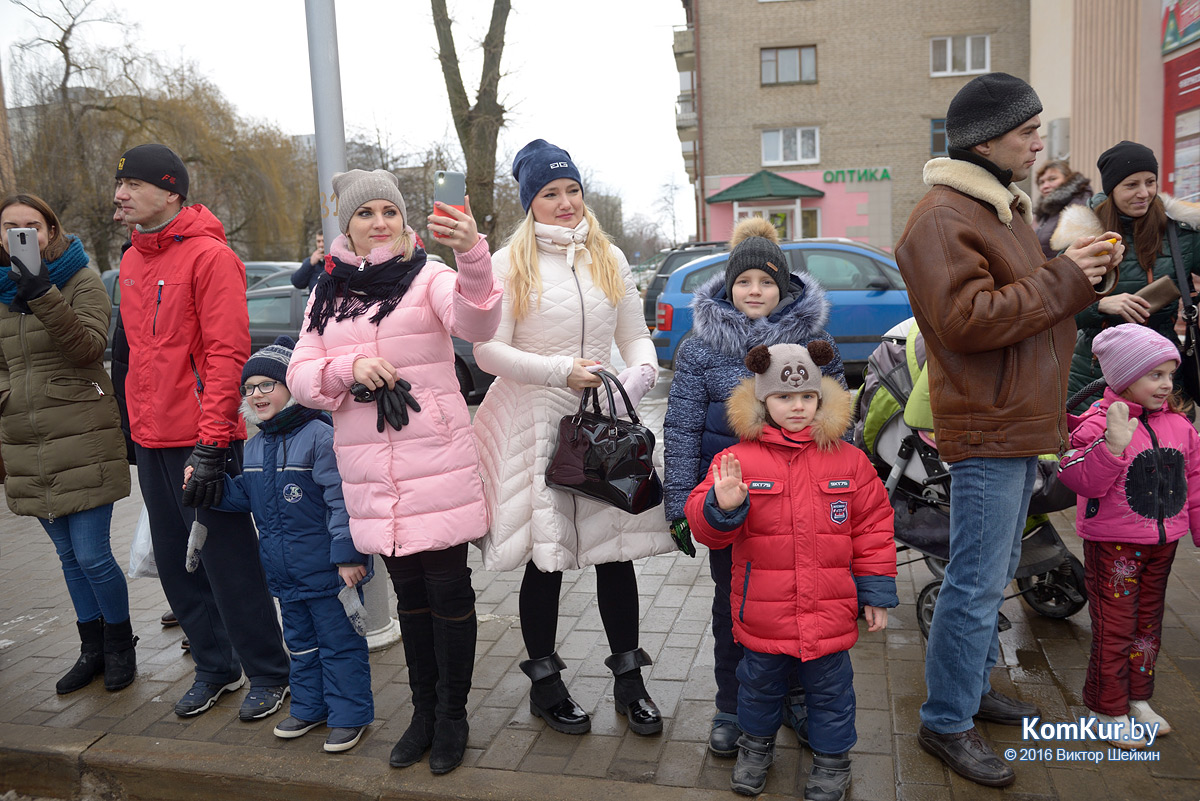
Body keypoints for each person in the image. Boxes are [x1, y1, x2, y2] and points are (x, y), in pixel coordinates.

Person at [893, 73, 1124, 787]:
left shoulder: (998, 209)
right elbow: (967, 321)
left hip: (1017, 423)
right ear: (986, 138)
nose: (1037, 140)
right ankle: (946, 722)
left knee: (988, 578)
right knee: (974, 580)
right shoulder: (941, 219)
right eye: (1027, 130)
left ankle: (964, 693)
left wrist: (1082, 278)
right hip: (991, 425)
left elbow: (1026, 306)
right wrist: (1064, 279)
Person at [287, 168, 501, 774]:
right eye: (365, 213)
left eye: (388, 211)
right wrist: (349, 367)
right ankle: (423, 714)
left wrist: (472, 254)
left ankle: (453, 716)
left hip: (434, 461)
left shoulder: (429, 276)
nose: (378, 222)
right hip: (372, 476)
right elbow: (301, 379)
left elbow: (477, 325)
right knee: (408, 598)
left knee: (449, 592)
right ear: (346, 225)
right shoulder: (326, 293)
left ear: (404, 220)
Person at [472, 139, 670, 738]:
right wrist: (561, 370)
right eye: (550, 193)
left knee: (616, 553)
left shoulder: (608, 256)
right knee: (547, 557)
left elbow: (637, 337)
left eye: (572, 190)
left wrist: (636, 376)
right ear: (530, 202)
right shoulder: (509, 263)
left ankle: (630, 681)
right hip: (537, 419)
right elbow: (487, 352)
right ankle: (545, 684)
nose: (564, 202)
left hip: (605, 421)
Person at [114, 143, 291, 719]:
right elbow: (134, 358)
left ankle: (269, 670)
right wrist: (133, 431)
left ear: (171, 192)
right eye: (120, 185)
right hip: (152, 438)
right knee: (175, 563)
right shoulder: (134, 258)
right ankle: (217, 668)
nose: (121, 194)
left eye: (135, 185)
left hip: (202, 440)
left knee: (227, 561)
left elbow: (226, 354)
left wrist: (213, 441)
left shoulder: (210, 257)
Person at [663, 215, 846, 757]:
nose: (755, 291)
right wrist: (679, 502)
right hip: (734, 504)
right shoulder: (701, 349)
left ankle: (793, 699)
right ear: (728, 285)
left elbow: (837, 419)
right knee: (735, 607)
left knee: (797, 602)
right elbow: (681, 426)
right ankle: (732, 705)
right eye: (745, 281)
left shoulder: (813, 341)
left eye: (766, 281)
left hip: (801, 503)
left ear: (785, 287)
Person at [685, 342, 896, 799]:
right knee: (757, 689)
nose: (796, 406)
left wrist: (876, 590)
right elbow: (707, 531)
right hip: (763, 612)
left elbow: (873, 526)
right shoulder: (737, 460)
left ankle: (833, 762)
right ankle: (755, 749)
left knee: (832, 694)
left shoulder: (849, 460)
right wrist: (721, 507)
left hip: (829, 612)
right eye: (783, 397)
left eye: (806, 397)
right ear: (763, 401)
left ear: (821, 398)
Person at [187, 336, 374, 753]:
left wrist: (348, 556)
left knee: (340, 646)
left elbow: (342, 501)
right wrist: (210, 488)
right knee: (302, 647)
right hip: (285, 576)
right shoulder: (254, 446)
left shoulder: (320, 437)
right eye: (248, 389)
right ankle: (311, 707)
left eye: (266, 386)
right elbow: (246, 496)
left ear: (292, 387)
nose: (256, 395)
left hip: (330, 574)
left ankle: (350, 715)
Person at [0, 193, 134, 694]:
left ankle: (121, 644)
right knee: (67, 557)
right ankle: (91, 650)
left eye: (32, 225)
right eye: (10, 227)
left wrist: (40, 291)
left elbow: (88, 348)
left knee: (93, 555)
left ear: (51, 230)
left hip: (83, 434)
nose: (22, 235)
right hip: (26, 440)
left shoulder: (80, 280)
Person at [1057, 325, 1199, 748]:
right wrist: (1112, 446)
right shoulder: (1096, 423)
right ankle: (1105, 706)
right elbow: (1077, 478)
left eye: (1170, 374)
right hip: (1114, 546)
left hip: (1162, 544)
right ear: (1124, 377)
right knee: (1116, 629)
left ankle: (1138, 699)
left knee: (1148, 627)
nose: (1167, 384)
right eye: (1155, 374)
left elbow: (1195, 478)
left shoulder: (1179, 424)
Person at [1052, 141, 1200, 404]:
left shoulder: (1181, 234)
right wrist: (1100, 305)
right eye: (1131, 185)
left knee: (1169, 445)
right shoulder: (1083, 236)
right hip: (1096, 376)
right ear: (1111, 189)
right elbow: (1055, 309)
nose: (1144, 193)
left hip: (1164, 374)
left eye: (1150, 182)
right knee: (1101, 444)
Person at [1033, 159, 1092, 259]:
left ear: (1068, 179)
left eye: (1052, 179)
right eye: (1041, 182)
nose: (1045, 186)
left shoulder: (1078, 205)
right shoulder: (1050, 210)